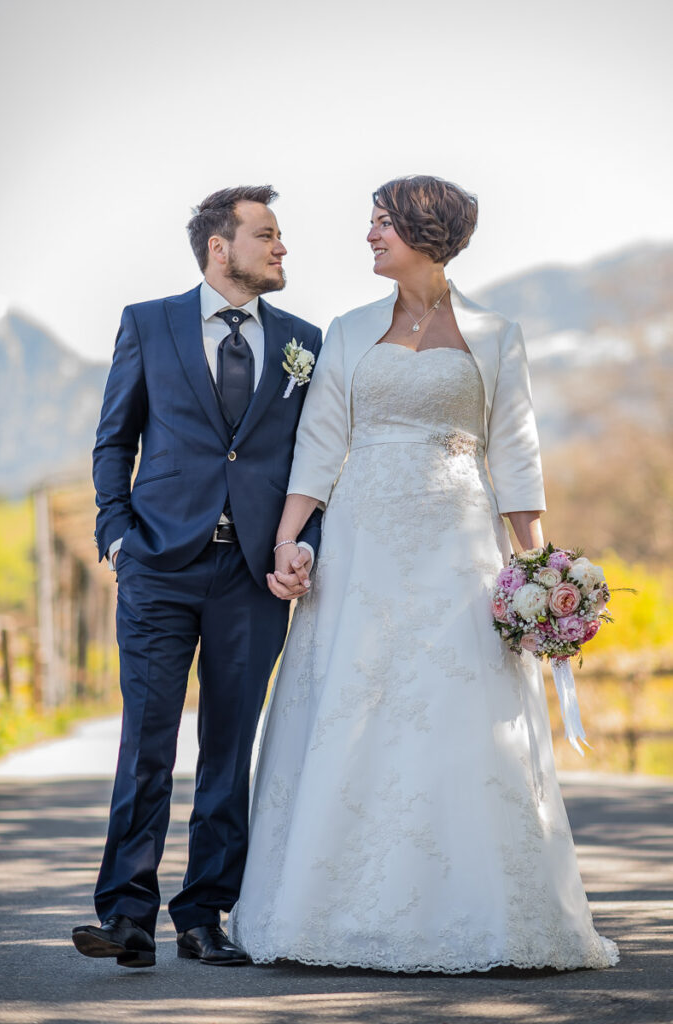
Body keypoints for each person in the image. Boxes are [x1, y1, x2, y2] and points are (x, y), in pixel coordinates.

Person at [229, 176, 619, 973]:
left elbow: (513, 453)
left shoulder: (495, 333)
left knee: (457, 708)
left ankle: (484, 910)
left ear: (423, 229)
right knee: (354, 700)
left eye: (381, 224)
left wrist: (540, 572)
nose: (368, 236)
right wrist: (288, 542)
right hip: (364, 544)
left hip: (458, 543)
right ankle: (330, 906)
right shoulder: (347, 329)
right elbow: (322, 442)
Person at [72, 185, 322, 969]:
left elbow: (313, 461)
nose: (282, 249)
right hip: (158, 564)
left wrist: (301, 540)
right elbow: (115, 437)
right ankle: (126, 915)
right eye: (267, 235)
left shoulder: (303, 340)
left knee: (227, 746)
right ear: (221, 247)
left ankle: (205, 913)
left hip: (251, 574)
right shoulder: (147, 323)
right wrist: (115, 531)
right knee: (145, 741)